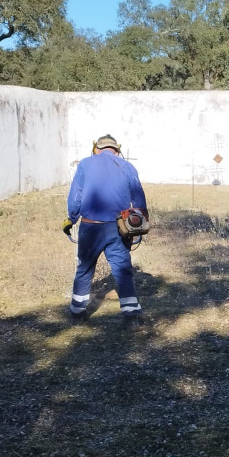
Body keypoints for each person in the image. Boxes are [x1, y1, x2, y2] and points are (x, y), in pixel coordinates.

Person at [62, 134, 148, 322]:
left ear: (96, 149)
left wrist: (71, 218)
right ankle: (132, 315)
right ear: (117, 149)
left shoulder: (84, 164)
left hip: (91, 227)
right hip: (119, 227)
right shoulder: (127, 166)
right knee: (123, 270)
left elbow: (75, 196)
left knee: (84, 268)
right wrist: (140, 225)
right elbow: (139, 199)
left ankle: (77, 312)